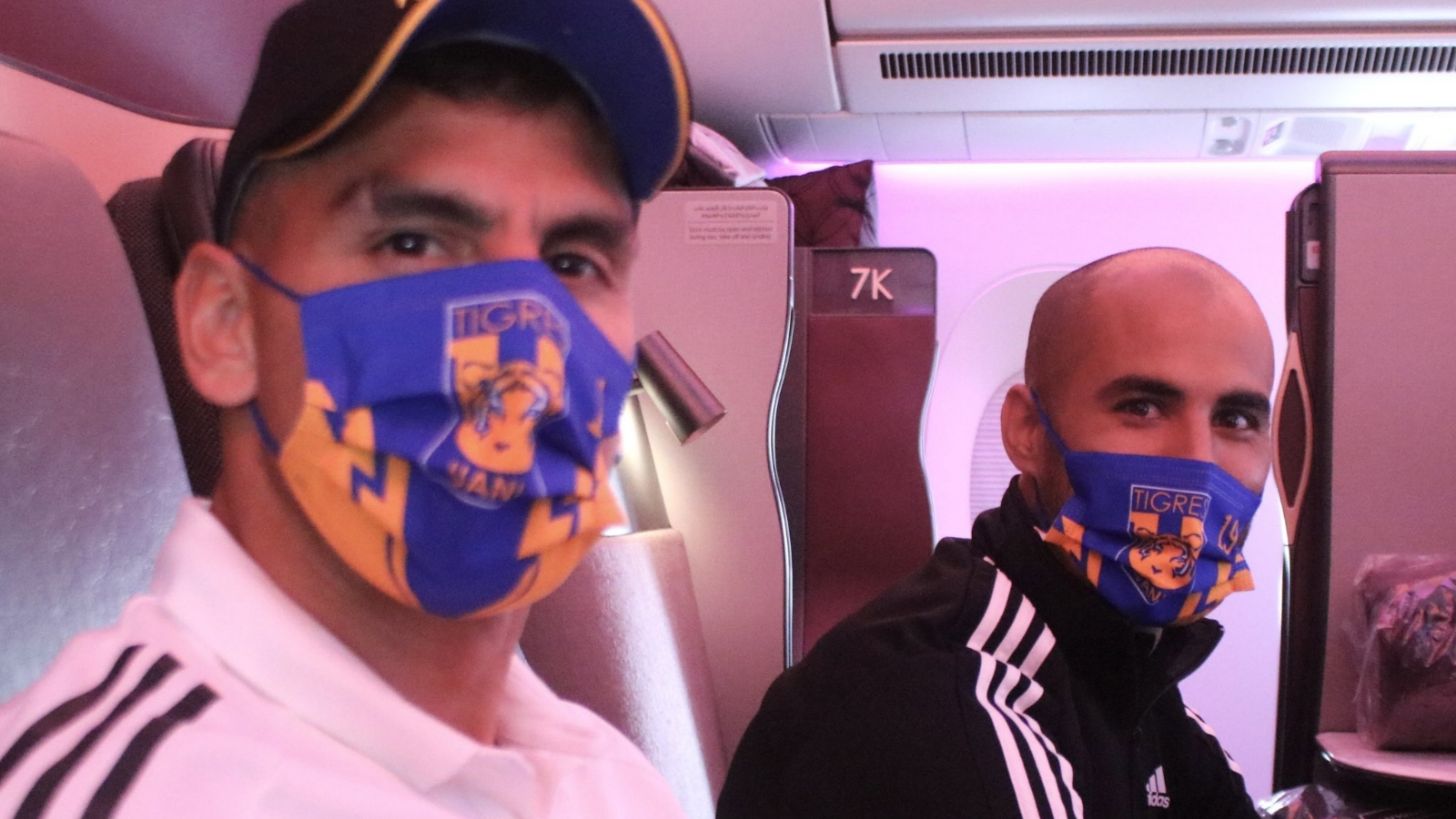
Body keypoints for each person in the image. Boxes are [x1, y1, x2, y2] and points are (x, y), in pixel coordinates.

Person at [0, 0, 694, 816]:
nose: (525, 338)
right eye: (413, 241)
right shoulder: (135, 794)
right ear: (225, 324)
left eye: (573, 262)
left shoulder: (600, 770)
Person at [719, 247, 1274, 818]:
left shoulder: (1128, 669)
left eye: (1235, 420)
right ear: (1028, 431)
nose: (1198, 463)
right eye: (1142, 407)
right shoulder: (947, 699)